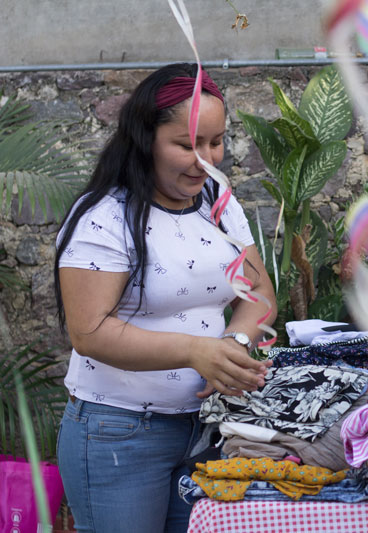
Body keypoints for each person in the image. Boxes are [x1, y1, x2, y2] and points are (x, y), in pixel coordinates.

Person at [54, 63, 277, 533]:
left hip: (209, 429)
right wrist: (196, 351)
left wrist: (232, 349)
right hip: (120, 434)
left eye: (215, 142)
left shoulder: (218, 198)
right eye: (186, 144)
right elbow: (88, 331)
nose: (206, 159)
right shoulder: (105, 216)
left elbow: (257, 291)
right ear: (145, 139)